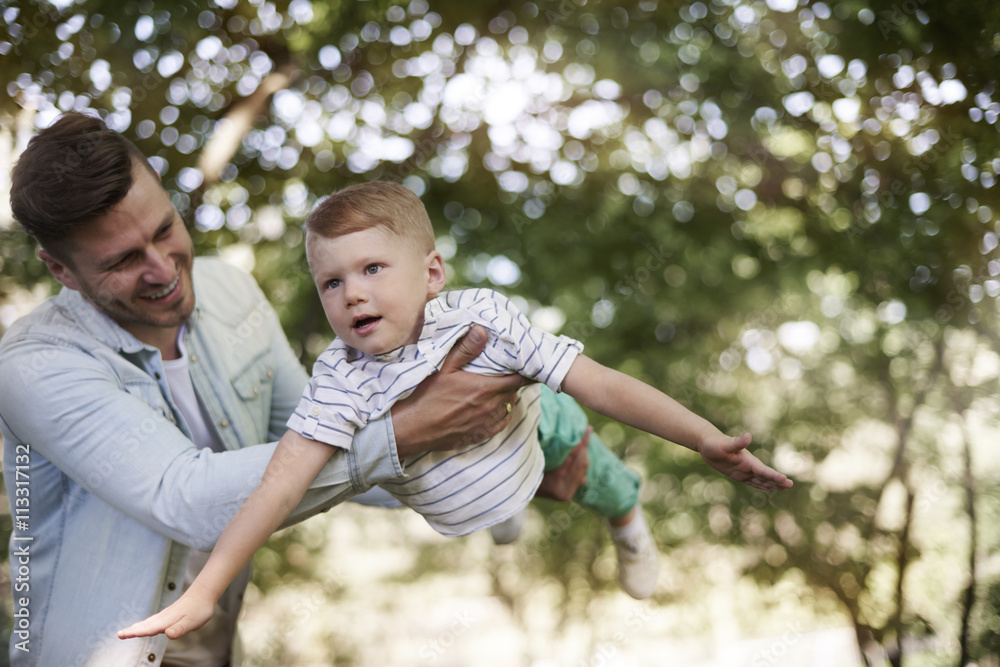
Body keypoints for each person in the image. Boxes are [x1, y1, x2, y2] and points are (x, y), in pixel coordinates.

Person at [0, 113, 584, 667]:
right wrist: (410, 429)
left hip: (218, 648)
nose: (163, 268)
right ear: (62, 271)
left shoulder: (229, 292)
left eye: (165, 229)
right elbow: (187, 501)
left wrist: (499, 456)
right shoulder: (34, 366)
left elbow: (327, 451)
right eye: (124, 260)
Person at [118, 181, 793, 642]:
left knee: (602, 473)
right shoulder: (339, 380)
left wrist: (703, 436)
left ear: (432, 273)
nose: (352, 292)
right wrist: (208, 587)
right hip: (468, 475)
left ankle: (627, 519)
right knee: (489, 493)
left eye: (373, 268)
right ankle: (507, 508)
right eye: (332, 280)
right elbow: (280, 485)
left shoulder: (484, 320)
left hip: (535, 427)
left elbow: (603, 385)